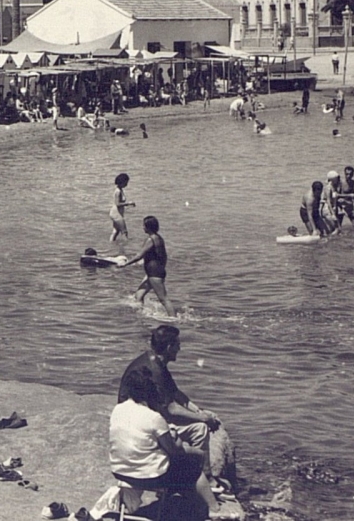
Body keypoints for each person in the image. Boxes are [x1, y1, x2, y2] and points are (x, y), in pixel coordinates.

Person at [118, 326, 233, 516]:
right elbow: (170, 409)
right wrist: (202, 418)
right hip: (146, 424)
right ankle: (199, 482)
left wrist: (198, 410)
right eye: (178, 345)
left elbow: (175, 393)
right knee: (199, 432)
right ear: (170, 346)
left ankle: (205, 479)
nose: (180, 349)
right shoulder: (153, 369)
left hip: (140, 420)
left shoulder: (155, 361)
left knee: (198, 427)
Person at [120, 216, 175, 316]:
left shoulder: (151, 239)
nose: (142, 228)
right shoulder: (159, 238)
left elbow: (139, 255)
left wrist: (126, 264)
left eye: (144, 226)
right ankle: (141, 316)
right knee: (139, 295)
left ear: (148, 227)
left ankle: (174, 319)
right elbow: (163, 256)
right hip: (155, 272)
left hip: (154, 273)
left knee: (163, 299)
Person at [110, 173, 135, 243]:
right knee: (124, 232)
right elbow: (117, 204)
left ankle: (111, 244)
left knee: (116, 231)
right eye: (126, 182)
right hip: (116, 214)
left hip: (115, 213)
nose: (127, 184)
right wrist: (128, 203)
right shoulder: (118, 191)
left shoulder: (119, 190)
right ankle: (126, 246)